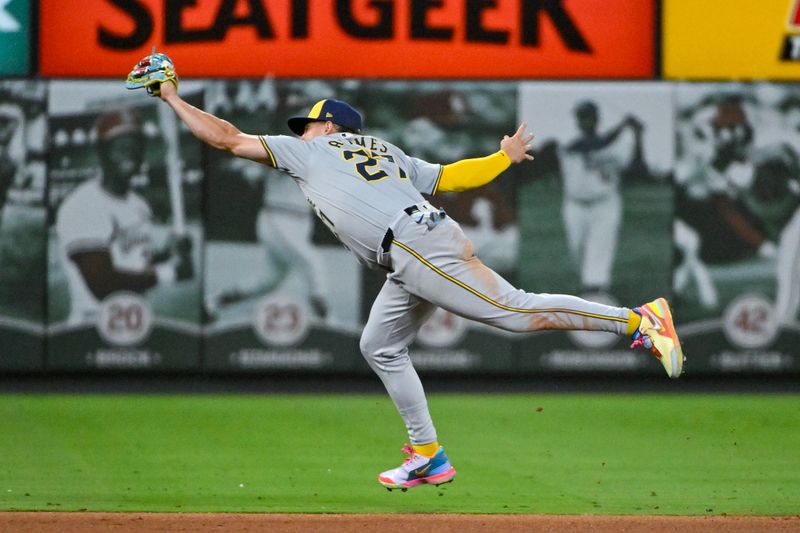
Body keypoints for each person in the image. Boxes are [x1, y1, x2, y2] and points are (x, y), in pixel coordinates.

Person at [128, 53, 684, 491]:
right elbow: (449, 177)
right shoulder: (386, 150)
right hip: (411, 249)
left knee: (515, 312)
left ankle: (637, 322)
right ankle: (427, 455)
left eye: (309, 124)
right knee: (380, 346)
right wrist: (503, 159)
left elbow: (225, 137)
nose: (301, 132)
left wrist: (173, 96)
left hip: (413, 245)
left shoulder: (311, 153)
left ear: (329, 127)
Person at [55, 107, 193, 325]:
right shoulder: (83, 205)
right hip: (91, 326)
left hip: (136, 321)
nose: (130, 151)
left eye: (136, 145)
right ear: (100, 151)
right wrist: (171, 273)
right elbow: (102, 283)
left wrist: (170, 253)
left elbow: (135, 262)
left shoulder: (138, 205)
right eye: (119, 145)